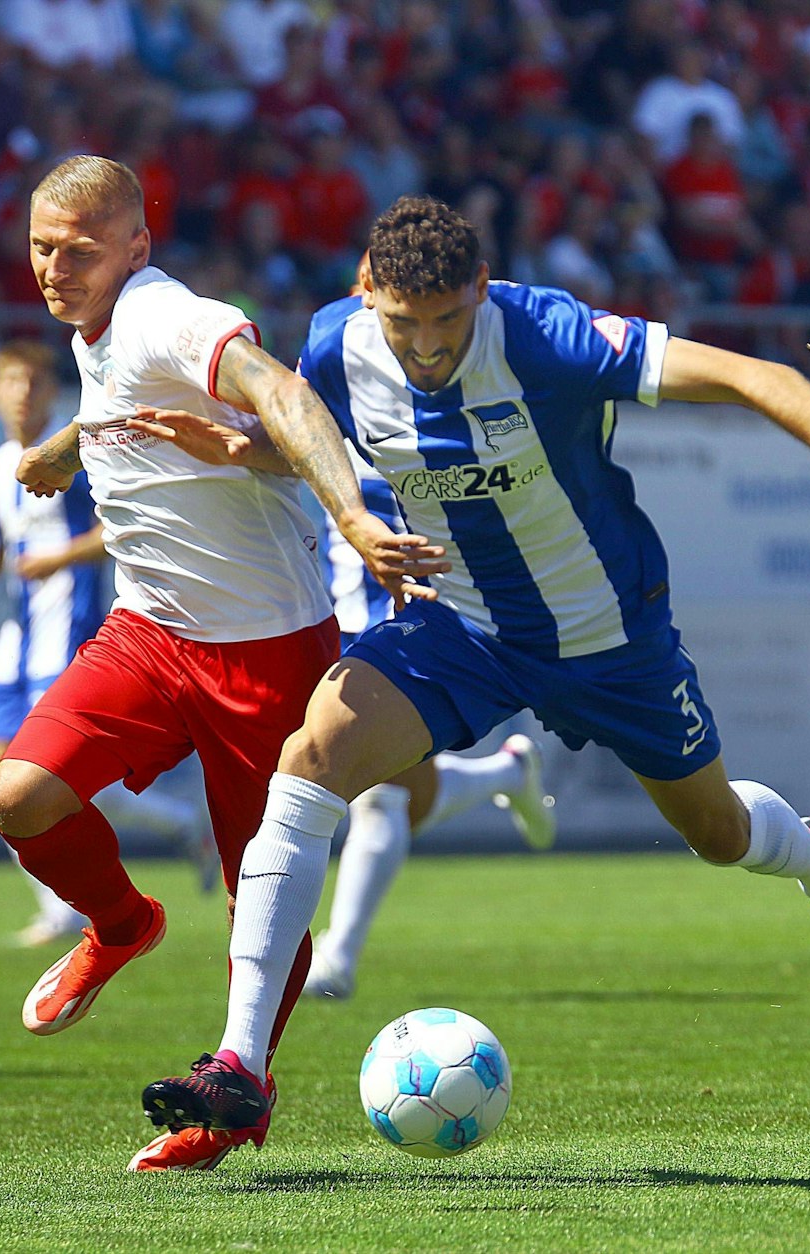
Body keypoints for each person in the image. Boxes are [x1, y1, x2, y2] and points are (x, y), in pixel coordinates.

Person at [129, 195, 810, 1169]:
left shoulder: (547, 336)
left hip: (606, 634)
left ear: (481, 294)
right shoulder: (334, 344)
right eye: (403, 326)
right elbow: (315, 434)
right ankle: (239, 1063)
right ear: (367, 296)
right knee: (311, 757)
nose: (426, 349)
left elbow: (755, 375)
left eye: (447, 323)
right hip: (460, 624)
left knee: (716, 833)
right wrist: (246, 450)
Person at [0, 157, 433, 1167]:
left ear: (138, 249)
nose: (56, 269)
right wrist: (65, 447)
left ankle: (239, 1097)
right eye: (41, 248)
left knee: (260, 902)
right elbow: (118, 392)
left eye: (81, 252)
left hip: (267, 652)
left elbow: (278, 391)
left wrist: (352, 516)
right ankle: (119, 922)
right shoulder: (101, 326)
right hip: (147, 636)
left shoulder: (164, 316)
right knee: (19, 798)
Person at [300, 251, 555, 1004]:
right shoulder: (321, 385)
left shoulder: (455, 390)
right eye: (374, 296)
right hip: (330, 616)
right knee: (369, 786)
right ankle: (507, 773)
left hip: (419, 615)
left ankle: (337, 960)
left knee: (377, 793)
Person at [0, 340, 215, 947]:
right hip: (17, 640)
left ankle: (178, 826)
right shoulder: (0, 463)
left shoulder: (79, 455)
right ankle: (66, 905)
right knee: (0, 780)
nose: (22, 393)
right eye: (11, 381)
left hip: (70, 634)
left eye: (34, 382)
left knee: (50, 779)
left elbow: (117, 529)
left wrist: (61, 555)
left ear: (51, 390)